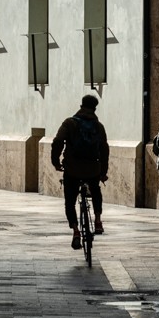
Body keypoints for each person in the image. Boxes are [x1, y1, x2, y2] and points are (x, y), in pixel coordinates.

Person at [51, 95, 109, 249]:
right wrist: (103, 172)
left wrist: (55, 162)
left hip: (72, 168)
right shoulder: (99, 126)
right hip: (92, 169)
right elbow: (104, 149)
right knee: (95, 190)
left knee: (70, 201)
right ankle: (97, 220)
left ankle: (76, 231)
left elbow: (58, 141)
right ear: (95, 108)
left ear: (81, 105)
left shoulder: (69, 123)